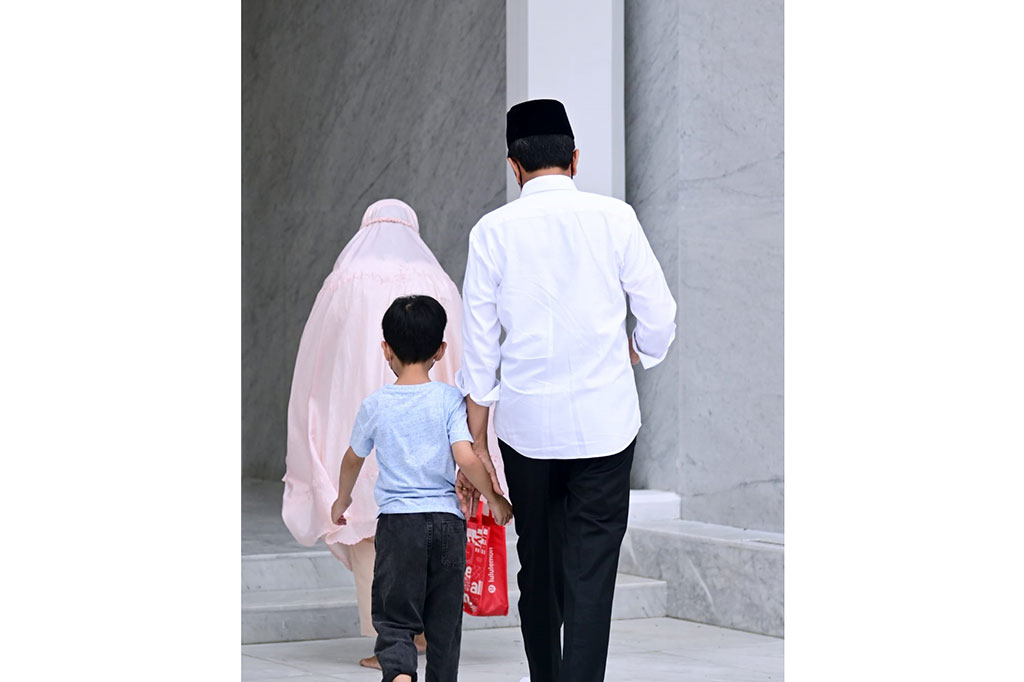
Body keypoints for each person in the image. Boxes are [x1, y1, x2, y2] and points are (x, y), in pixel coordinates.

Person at [454, 99, 678, 682]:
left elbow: (479, 347)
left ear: (514, 166)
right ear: (574, 158)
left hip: (526, 431)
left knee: (541, 569)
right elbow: (659, 313)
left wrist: (475, 436)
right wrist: (641, 351)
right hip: (606, 425)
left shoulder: (491, 232)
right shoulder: (616, 218)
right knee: (591, 574)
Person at [282, 199, 506, 669]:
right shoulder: (436, 280)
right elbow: (469, 357)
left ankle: (393, 650)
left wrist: (339, 493)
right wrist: (491, 487)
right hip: (436, 437)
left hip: (363, 411)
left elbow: (317, 356)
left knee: (377, 548)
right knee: (442, 603)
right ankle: (431, 645)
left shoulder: (343, 280)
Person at [331, 295, 513, 682]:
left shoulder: (376, 405)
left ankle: (398, 673)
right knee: (443, 621)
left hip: (399, 526)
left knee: (396, 616)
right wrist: (494, 499)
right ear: (441, 350)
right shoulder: (449, 399)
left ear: (386, 349)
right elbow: (465, 457)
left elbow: (351, 459)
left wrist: (341, 499)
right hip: (447, 524)